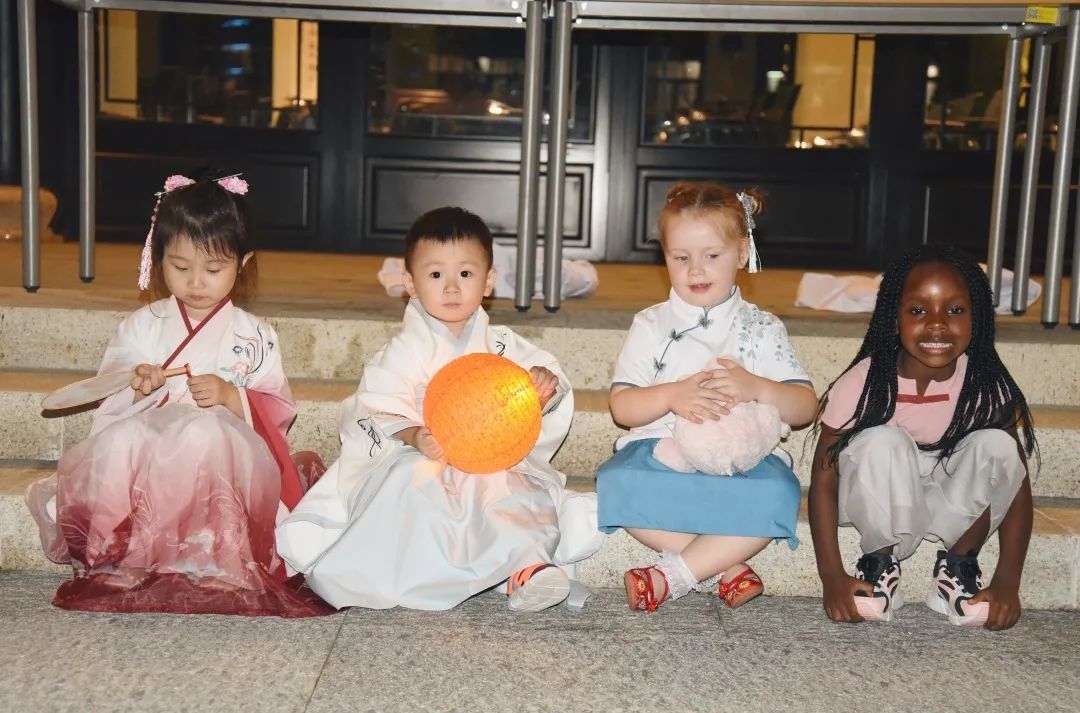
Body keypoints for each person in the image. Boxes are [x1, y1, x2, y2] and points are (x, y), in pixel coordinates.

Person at [25, 173, 330, 617]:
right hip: (150, 439)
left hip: (219, 445)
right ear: (158, 257)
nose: (196, 282)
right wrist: (138, 385)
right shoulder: (143, 326)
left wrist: (231, 395)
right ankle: (121, 555)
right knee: (122, 440)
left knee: (203, 434)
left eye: (213, 269)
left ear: (242, 264)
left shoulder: (254, 336)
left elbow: (277, 407)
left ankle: (214, 554)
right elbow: (110, 392)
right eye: (181, 267)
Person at [276, 207, 601, 611]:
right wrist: (413, 434)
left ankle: (525, 568)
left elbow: (545, 386)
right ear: (410, 283)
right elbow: (374, 406)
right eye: (435, 275)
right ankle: (452, 571)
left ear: (488, 281)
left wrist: (542, 388)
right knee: (414, 483)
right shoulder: (403, 351)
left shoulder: (502, 346)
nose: (451, 288)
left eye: (465, 273)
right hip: (427, 452)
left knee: (513, 487)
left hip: (490, 456)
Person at [596, 181, 817, 612]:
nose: (696, 271)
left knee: (781, 493)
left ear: (741, 252)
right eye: (681, 258)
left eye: (712, 256)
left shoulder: (762, 328)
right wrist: (670, 395)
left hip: (741, 461)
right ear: (665, 258)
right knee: (615, 483)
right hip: (661, 455)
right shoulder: (650, 325)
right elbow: (622, 408)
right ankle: (721, 567)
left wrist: (758, 387)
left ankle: (673, 575)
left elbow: (805, 407)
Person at [809, 245, 1037, 630]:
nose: (937, 325)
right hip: (883, 500)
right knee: (880, 440)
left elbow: (1015, 485)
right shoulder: (865, 383)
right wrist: (831, 576)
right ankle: (879, 564)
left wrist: (1008, 582)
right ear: (894, 318)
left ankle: (958, 568)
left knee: (1000, 447)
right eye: (918, 311)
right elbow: (824, 475)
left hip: (951, 502)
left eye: (955, 310)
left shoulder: (985, 386)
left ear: (977, 318)